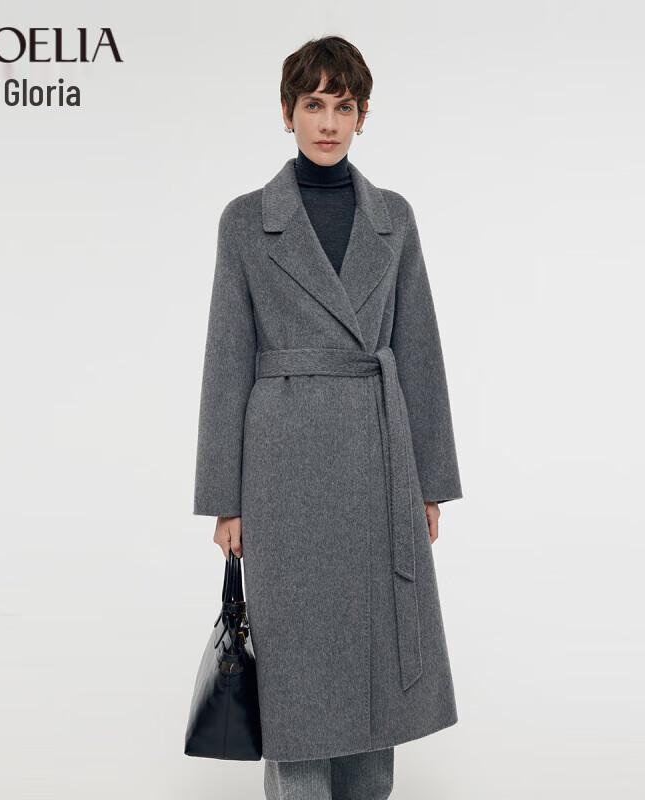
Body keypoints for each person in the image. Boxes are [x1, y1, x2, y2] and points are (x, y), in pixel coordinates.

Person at [193, 35, 463, 800]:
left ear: (363, 116)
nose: (328, 122)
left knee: (376, 657)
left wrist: (430, 482)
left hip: (379, 459)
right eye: (313, 104)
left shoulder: (394, 218)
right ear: (287, 113)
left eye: (344, 106)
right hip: (283, 465)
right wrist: (226, 500)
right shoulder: (247, 221)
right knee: (297, 669)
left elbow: (418, 348)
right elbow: (226, 360)